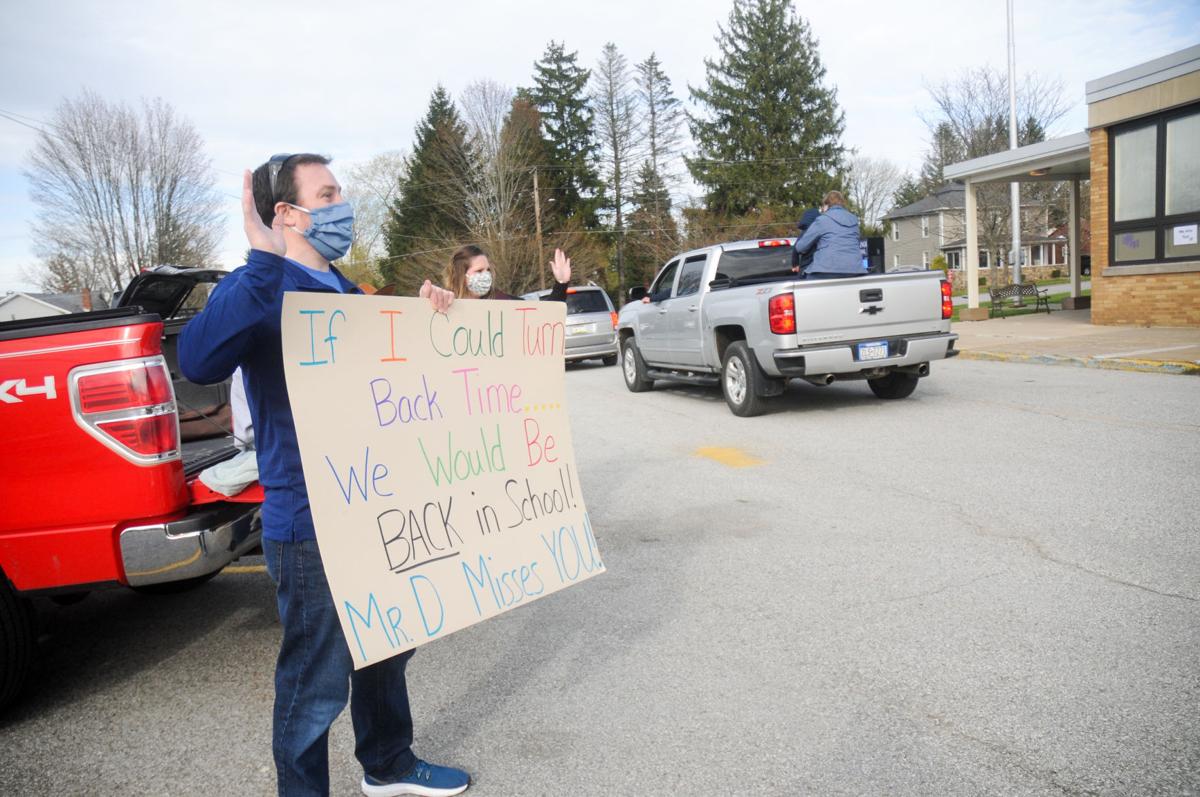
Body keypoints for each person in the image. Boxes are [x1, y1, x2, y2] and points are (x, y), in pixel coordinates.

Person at [178, 153, 469, 797]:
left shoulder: (347, 290)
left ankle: (388, 765)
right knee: (314, 683)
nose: (343, 206)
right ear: (286, 212)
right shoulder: (258, 287)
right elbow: (197, 360)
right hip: (311, 523)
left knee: (386, 645)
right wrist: (262, 259)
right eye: (328, 193)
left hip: (376, 508)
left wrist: (436, 320)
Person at [443, 244, 571, 301]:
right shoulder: (446, 304)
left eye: (488, 270)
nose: (486, 275)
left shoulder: (502, 302)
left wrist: (561, 284)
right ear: (461, 275)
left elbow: (542, 317)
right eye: (479, 271)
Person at [793, 190, 863, 279]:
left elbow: (800, 247)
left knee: (804, 281)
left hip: (826, 271)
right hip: (855, 270)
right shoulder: (854, 221)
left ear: (826, 205)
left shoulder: (822, 220)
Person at [791, 207, 821, 275]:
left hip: (805, 268)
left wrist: (795, 265)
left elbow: (795, 250)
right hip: (816, 268)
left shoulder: (804, 233)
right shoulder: (818, 231)